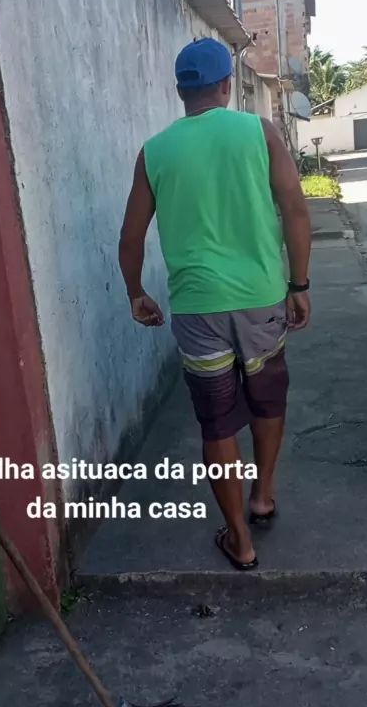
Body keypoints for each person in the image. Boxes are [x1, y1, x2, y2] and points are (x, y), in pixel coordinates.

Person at [119, 37, 311, 570]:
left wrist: (136, 292)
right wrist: (299, 285)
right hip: (260, 299)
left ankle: (239, 540)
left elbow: (131, 238)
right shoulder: (259, 131)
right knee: (267, 397)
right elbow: (295, 211)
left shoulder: (155, 151)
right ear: (227, 86)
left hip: (197, 308)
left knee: (217, 422)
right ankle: (262, 495)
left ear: (181, 91)